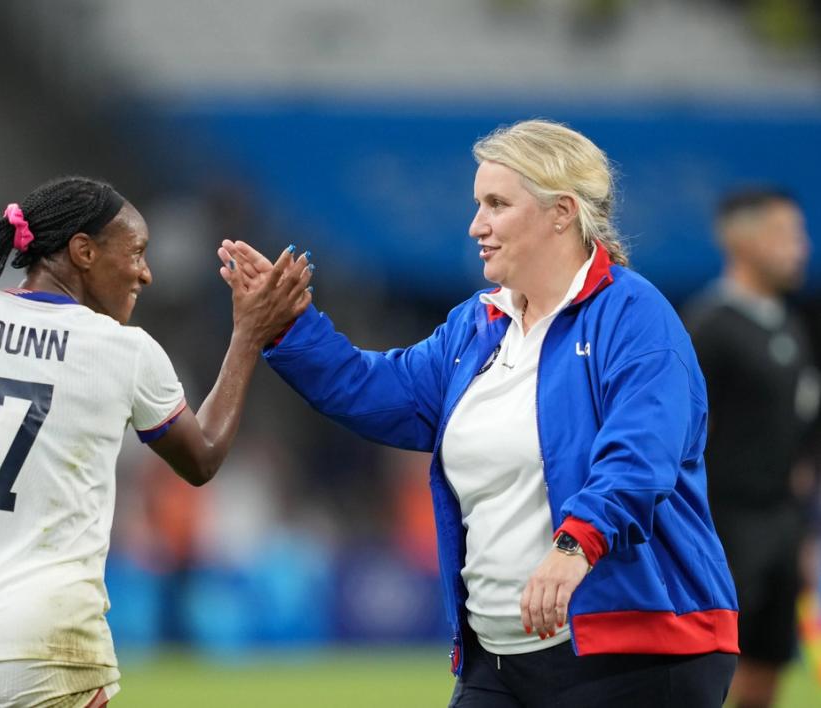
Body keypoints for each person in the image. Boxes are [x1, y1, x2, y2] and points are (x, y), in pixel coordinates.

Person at [219, 120, 739, 707]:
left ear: (561, 212)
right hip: (498, 659)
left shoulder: (634, 315)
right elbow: (373, 390)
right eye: (477, 204)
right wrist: (290, 325)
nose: (476, 225)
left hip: (636, 651)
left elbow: (642, 451)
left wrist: (575, 547)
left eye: (496, 204)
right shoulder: (476, 324)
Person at [0, 176, 312, 708]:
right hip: (44, 639)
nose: (145, 271)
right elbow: (202, 456)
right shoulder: (124, 351)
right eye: (136, 252)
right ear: (83, 251)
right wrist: (248, 336)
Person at [683, 188, 817, 708]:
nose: (801, 248)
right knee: (710, 670)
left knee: (767, 667)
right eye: (786, 235)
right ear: (740, 240)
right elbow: (681, 435)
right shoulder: (708, 326)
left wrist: (798, 531)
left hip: (781, 526)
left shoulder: (790, 324)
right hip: (724, 528)